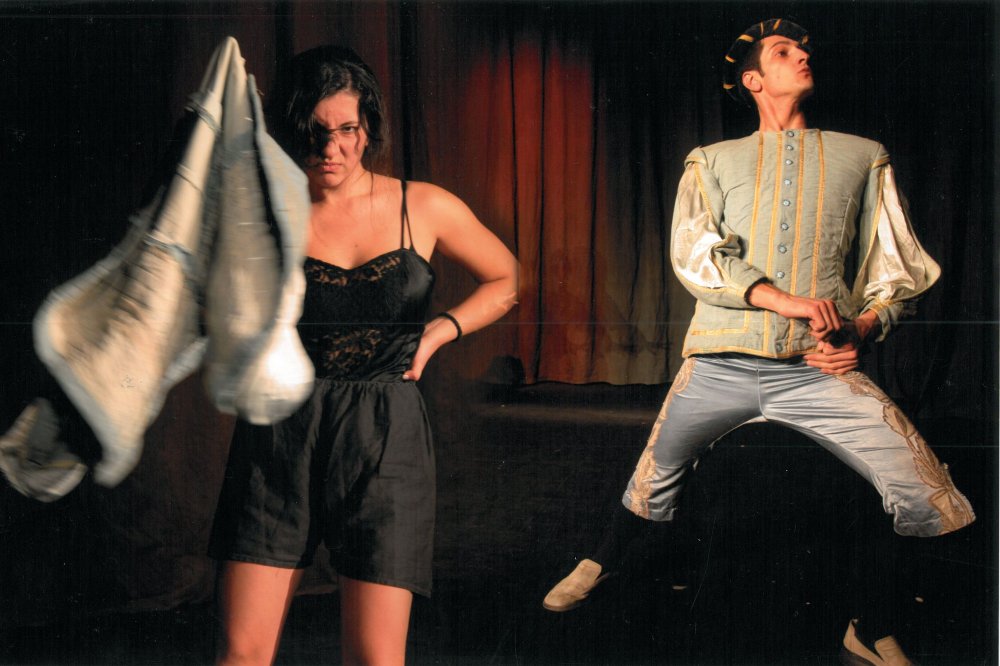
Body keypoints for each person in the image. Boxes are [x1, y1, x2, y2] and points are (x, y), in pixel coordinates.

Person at [541, 19, 973, 666]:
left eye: (804, 49)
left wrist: (860, 328)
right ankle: (601, 561)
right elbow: (695, 256)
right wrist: (787, 301)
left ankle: (872, 624)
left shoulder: (863, 155)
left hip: (817, 369)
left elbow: (897, 268)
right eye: (783, 51)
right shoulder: (712, 160)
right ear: (752, 80)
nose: (802, 55)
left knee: (929, 493)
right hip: (720, 362)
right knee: (655, 477)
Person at [208, 45, 518, 666]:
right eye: (315, 131)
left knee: (375, 658)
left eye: (347, 129)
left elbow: (505, 277)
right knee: (242, 654)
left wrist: (438, 332)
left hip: (385, 433)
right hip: (280, 432)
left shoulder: (422, 205)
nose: (332, 148)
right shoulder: (263, 213)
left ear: (368, 128)